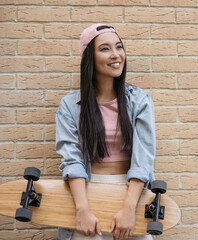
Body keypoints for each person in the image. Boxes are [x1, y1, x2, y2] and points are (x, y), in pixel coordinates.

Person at [55, 24, 156, 240]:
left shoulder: (140, 101)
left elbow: (144, 160)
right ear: (89, 57)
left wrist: (129, 208)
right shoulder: (70, 105)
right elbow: (72, 160)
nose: (115, 55)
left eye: (119, 47)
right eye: (105, 49)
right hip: (86, 191)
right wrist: (82, 209)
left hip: (132, 193)